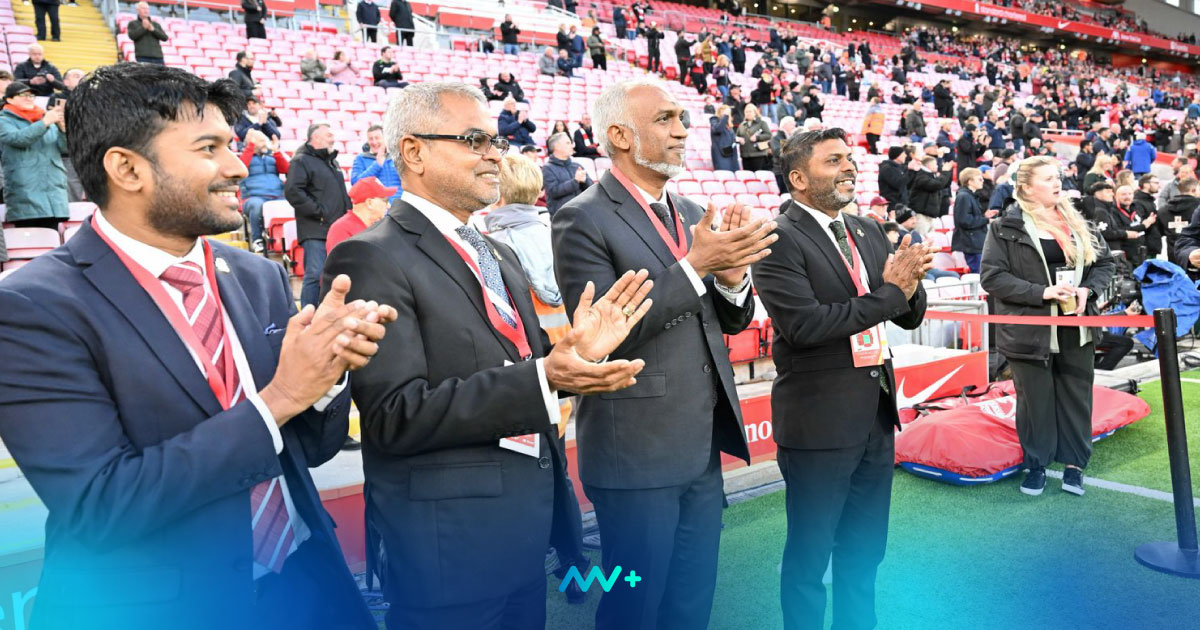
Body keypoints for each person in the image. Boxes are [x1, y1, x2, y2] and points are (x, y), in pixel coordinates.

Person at [0, 61, 390, 630]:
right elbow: (100, 504)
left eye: (231, 145)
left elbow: (304, 449)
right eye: (209, 148)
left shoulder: (256, 275)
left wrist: (327, 375)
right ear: (127, 169)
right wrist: (281, 398)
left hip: (307, 584)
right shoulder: (33, 307)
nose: (237, 166)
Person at [322, 80, 652, 630]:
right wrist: (544, 378)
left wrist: (574, 355)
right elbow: (395, 414)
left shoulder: (495, 251)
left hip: (525, 530)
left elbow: (519, 361)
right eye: (474, 140)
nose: (494, 154)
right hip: (448, 550)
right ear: (413, 152)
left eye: (495, 141)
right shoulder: (370, 256)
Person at [552, 78, 775, 630]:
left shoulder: (692, 210)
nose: (682, 130)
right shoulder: (581, 217)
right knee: (634, 606)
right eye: (666, 119)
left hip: (701, 443)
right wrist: (696, 267)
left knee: (691, 601)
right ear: (621, 135)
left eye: (682, 118)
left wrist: (733, 279)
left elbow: (728, 321)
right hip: (636, 454)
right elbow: (605, 338)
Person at [753, 127, 930, 630]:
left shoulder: (868, 230)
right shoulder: (776, 237)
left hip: (875, 417)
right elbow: (805, 326)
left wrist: (911, 282)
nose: (849, 167)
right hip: (819, 425)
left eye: (850, 158)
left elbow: (908, 315)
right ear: (798, 178)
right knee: (809, 559)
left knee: (865, 549)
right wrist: (893, 292)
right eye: (833, 160)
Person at [981, 155, 1115, 497]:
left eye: (1058, 177)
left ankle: (1074, 466)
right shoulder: (1004, 227)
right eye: (1048, 179)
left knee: (1076, 399)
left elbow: (1105, 265)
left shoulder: (1080, 222)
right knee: (1034, 402)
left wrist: (1088, 290)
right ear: (1026, 188)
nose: (1057, 183)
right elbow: (992, 277)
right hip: (1029, 331)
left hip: (1077, 327)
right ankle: (1036, 464)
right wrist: (1041, 292)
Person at [283, 122, 352, 308]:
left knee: (336, 274)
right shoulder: (301, 161)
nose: (333, 138)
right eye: (328, 135)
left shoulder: (332, 162)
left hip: (336, 228)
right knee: (315, 273)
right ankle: (308, 316)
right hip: (315, 228)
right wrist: (319, 213)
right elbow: (293, 191)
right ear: (315, 137)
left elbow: (341, 193)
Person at [0, 81, 68, 229]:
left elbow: (65, 150)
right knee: (27, 240)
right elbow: (19, 139)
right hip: (25, 191)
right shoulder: (4, 121)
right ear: (9, 99)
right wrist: (45, 123)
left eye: (31, 95)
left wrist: (63, 131)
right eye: (22, 95)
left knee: (51, 239)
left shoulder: (46, 119)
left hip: (53, 192)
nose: (28, 98)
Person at [238, 128, 288, 253]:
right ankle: (257, 240)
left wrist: (277, 151)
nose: (265, 143)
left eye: (265, 140)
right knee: (257, 206)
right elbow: (242, 167)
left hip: (277, 196)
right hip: (254, 197)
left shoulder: (272, 156)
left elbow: (286, 169)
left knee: (291, 205)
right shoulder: (244, 156)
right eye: (261, 141)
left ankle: (284, 241)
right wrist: (251, 146)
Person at [326, 176, 393, 253]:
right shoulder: (341, 230)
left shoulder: (378, 227)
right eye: (385, 200)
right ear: (370, 203)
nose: (389, 206)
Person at [952, 167, 995, 273]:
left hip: (975, 242)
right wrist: (986, 220)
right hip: (971, 243)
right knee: (979, 274)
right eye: (979, 179)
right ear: (970, 181)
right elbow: (964, 220)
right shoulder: (964, 196)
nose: (982, 181)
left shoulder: (970, 196)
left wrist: (985, 216)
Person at [1101, 184, 1153, 269]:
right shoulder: (1112, 211)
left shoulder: (1136, 208)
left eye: (1130, 194)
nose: (1127, 197)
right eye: (1123, 194)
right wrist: (1143, 226)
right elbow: (1120, 230)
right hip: (1124, 254)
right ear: (1116, 196)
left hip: (1140, 251)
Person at [542, 132, 592, 216]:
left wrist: (585, 181)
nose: (572, 146)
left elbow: (591, 188)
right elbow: (553, 191)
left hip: (581, 213)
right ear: (557, 146)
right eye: (568, 143)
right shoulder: (547, 168)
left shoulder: (577, 166)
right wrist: (575, 181)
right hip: (562, 216)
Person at [350, 124, 402, 201]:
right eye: (371, 139)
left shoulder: (397, 157)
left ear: (385, 138)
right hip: (376, 206)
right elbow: (355, 183)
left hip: (398, 205)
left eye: (377, 138)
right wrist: (377, 165)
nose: (374, 142)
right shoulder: (361, 159)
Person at [908, 155, 954, 234]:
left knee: (930, 240)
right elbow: (937, 184)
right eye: (935, 164)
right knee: (921, 239)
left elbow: (945, 184)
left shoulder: (931, 175)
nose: (937, 166)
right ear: (929, 165)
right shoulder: (921, 176)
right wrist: (945, 172)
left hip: (930, 215)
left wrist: (948, 171)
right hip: (921, 215)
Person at [1160, 177, 1200, 261]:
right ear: (1193, 190)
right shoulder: (1197, 208)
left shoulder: (1163, 210)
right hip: (1194, 257)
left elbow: (1159, 231)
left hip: (1172, 253)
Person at [737, 103, 773, 172]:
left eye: (750, 111)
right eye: (746, 112)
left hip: (758, 154)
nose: (748, 113)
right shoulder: (741, 125)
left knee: (758, 174)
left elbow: (769, 135)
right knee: (748, 175)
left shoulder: (762, 123)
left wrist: (757, 137)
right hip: (745, 155)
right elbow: (737, 136)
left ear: (755, 112)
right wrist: (739, 139)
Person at [710, 104, 740, 173]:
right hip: (721, 154)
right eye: (723, 111)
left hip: (731, 154)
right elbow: (718, 129)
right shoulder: (714, 120)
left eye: (727, 112)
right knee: (724, 174)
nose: (725, 113)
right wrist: (725, 116)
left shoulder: (729, 125)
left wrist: (737, 139)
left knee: (734, 174)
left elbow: (730, 138)